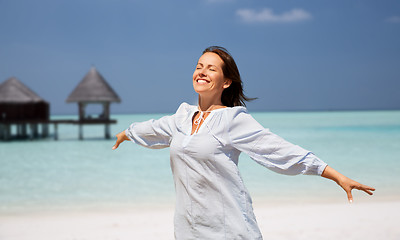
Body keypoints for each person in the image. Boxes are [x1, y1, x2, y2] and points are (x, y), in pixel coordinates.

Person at [112, 46, 375, 239]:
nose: (201, 72)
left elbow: (278, 150)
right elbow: (152, 129)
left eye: (211, 68)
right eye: (198, 66)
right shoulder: (182, 117)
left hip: (229, 229)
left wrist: (335, 175)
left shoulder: (232, 120)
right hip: (187, 230)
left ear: (226, 82)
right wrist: (126, 133)